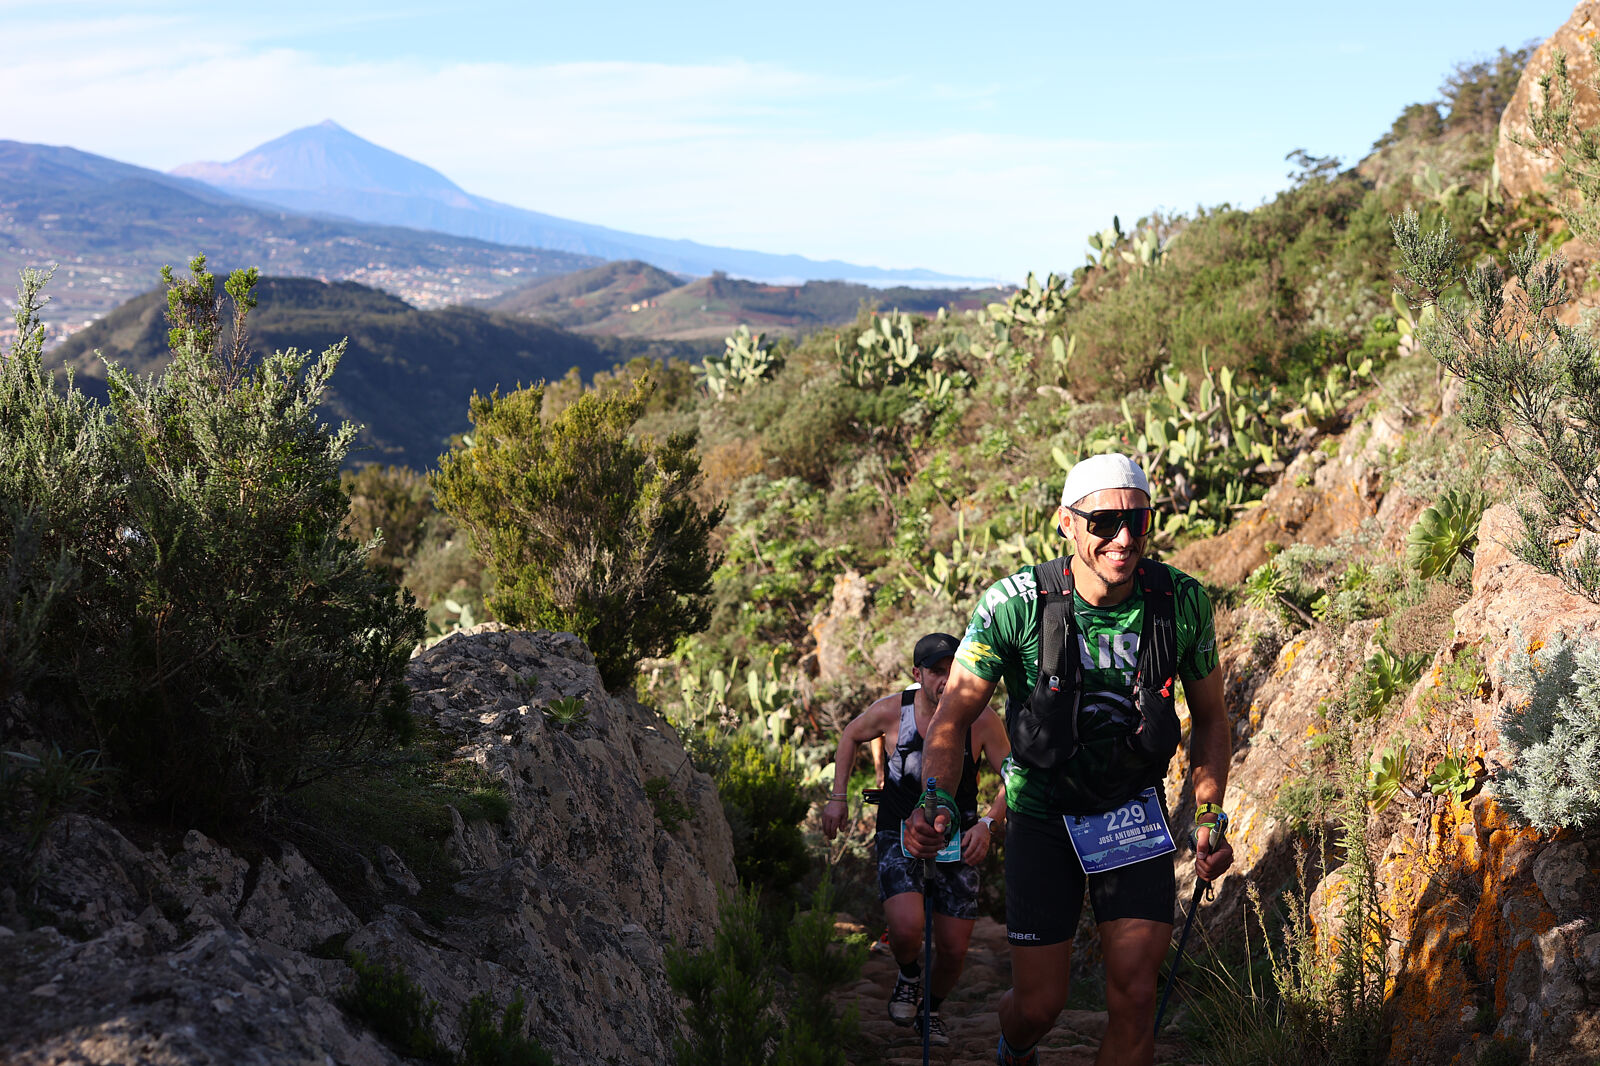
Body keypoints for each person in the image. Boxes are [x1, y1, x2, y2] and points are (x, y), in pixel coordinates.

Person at [906, 454, 1235, 1066]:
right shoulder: (1015, 604)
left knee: (1136, 994)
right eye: (1104, 522)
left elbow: (1212, 718)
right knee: (1039, 1006)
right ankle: (1014, 1045)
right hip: (1042, 813)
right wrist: (935, 799)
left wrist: (1210, 812)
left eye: (1138, 521)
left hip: (1130, 811)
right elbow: (952, 719)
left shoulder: (1181, 602)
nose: (1124, 538)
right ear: (1066, 522)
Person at [820, 632, 1010, 1048]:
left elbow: (1014, 777)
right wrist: (838, 798)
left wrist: (990, 824)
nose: (946, 679)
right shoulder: (893, 712)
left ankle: (932, 1009)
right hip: (897, 829)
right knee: (907, 929)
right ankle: (908, 975)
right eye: (937, 671)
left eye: (952, 670)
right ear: (917, 674)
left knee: (955, 949)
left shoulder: (981, 719)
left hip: (958, 835)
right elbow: (850, 736)